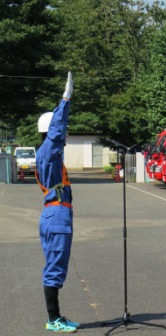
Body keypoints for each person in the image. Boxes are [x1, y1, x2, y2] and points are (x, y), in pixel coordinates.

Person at [36, 72, 80, 333]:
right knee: (54, 268)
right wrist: (65, 101)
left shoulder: (49, 156)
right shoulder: (48, 153)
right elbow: (56, 133)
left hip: (56, 215)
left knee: (57, 266)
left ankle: (57, 317)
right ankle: (53, 320)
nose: (64, 136)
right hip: (56, 216)